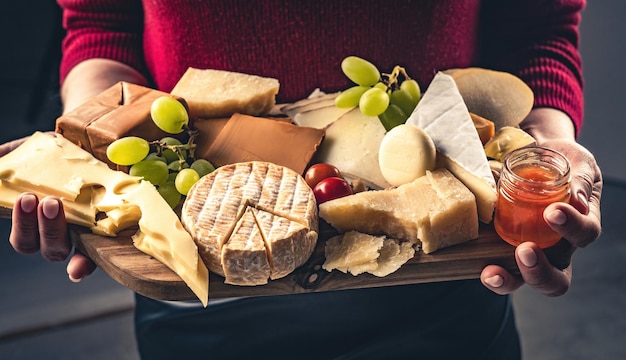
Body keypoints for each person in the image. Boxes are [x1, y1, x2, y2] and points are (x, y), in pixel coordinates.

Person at [1, 0, 602, 359]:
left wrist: (552, 146)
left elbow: (537, 26)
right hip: (201, 271)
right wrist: (89, 146)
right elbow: (99, 27)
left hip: (443, 274)